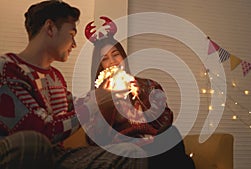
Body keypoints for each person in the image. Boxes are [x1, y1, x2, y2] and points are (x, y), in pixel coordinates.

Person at [0, 1, 147, 169]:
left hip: (57, 156)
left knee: (130, 153)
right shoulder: (7, 69)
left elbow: (75, 107)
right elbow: (44, 130)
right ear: (50, 28)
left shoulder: (56, 77)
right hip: (20, 154)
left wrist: (111, 102)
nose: (74, 44)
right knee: (32, 142)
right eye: (71, 34)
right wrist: (95, 101)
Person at [85, 17, 195, 169]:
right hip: (123, 151)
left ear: (123, 57)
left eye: (116, 54)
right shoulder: (94, 99)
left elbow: (165, 120)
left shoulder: (148, 86)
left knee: (171, 134)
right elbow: (95, 139)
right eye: (105, 59)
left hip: (154, 144)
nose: (113, 62)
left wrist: (140, 93)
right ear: (100, 67)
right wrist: (106, 101)